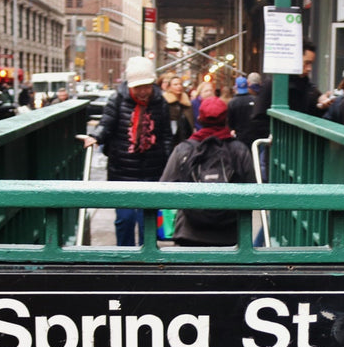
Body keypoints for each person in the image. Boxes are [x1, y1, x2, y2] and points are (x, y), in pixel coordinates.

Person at [76, 55, 174, 247]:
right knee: (125, 218)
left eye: (146, 86)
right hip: (122, 170)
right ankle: (125, 255)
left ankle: (147, 256)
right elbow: (106, 123)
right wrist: (95, 137)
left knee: (147, 220)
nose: (143, 92)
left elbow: (166, 135)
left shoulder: (160, 102)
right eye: (138, 87)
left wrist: (168, 163)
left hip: (152, 169)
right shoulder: (117, 99)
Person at [158, 96, 256, 247]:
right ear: (226, 119)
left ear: (200, 119)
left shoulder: (183, 149)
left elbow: (165, 187)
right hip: (230, 234)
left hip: (189, 232)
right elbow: (252, 190)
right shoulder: (239, 149)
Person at [286, 41, 323, 115]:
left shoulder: (311, 90)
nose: (309, 68)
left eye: (311, 63)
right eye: (307, 63)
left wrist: (321, 106)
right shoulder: (273, 85)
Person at [161, 73, 194, 145]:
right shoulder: (165, 102)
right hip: (172, 139)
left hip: (187, 137)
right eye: (175, 85)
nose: (179, 86)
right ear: (169, 87)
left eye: (180, 84)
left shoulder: (187, 103)